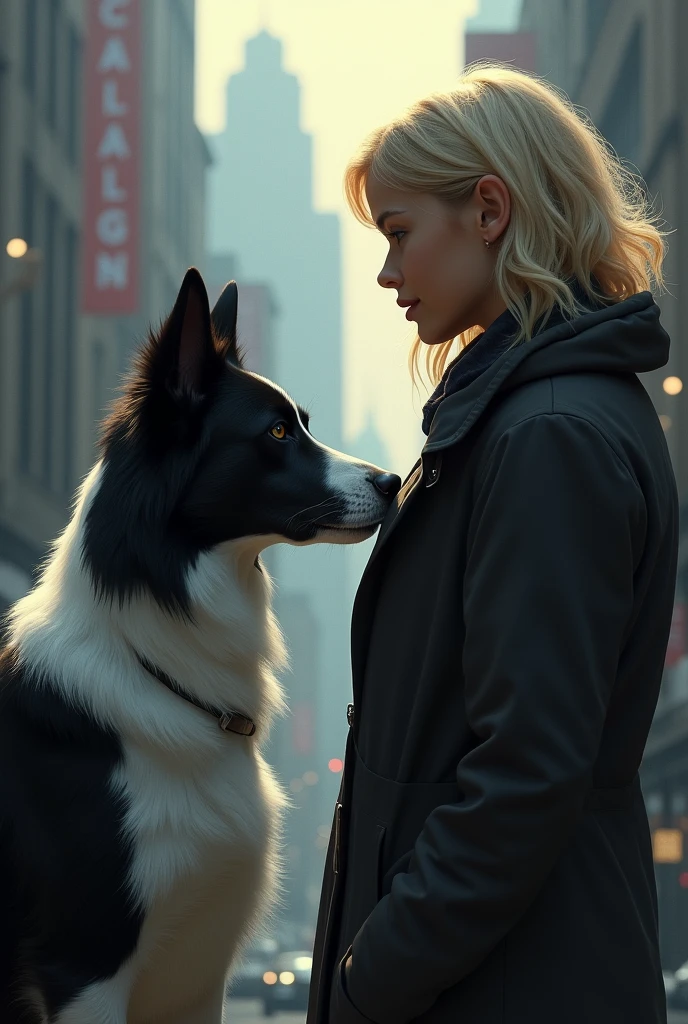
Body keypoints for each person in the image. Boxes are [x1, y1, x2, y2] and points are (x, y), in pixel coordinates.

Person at [306, 64, 678, 1024]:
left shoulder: (549, 434)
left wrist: (369, 977)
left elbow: (525, 776)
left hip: (510, 985)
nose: (387, 274)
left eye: (397, 234)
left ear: (488, 209)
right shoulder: (530, 418)